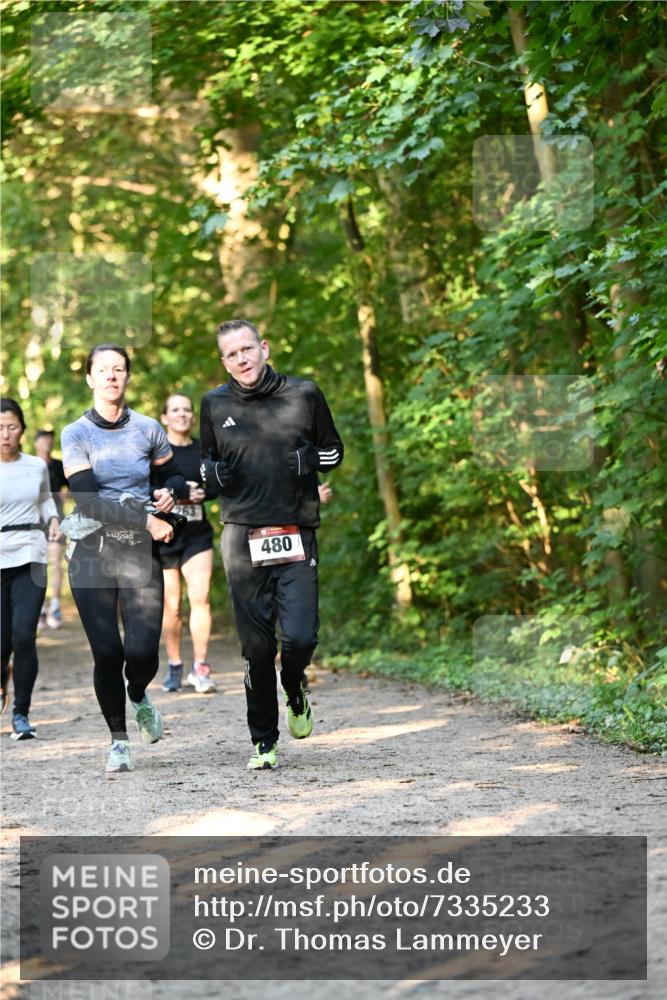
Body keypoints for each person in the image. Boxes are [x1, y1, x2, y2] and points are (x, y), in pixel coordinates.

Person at [200, 318, 344, 770]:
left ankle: (295, 682)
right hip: (242, 537)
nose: (241, 359)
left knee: (299, 635)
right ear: (224, 361)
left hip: (295, 531)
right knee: (256, 647)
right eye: (231, 354)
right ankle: (263, 740)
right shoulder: (213, 403)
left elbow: (334, 450)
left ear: (263, 347)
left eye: (247, 349)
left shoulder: (304, 394)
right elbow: (205, 464)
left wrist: (311, 460)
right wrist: (212, 476)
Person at [61, 344, 187, 774]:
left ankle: (138, 694)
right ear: (90, 379)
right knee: (108, 652)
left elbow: (172, 472)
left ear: (128, 377)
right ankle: (118, 740)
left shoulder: (149, 428)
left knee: (142, 652)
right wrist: (148, 522)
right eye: (103, 370)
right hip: (93, 553)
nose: (112, 376)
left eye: (119, 369)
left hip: (137, 554)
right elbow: (90, 502)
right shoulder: (75, 433)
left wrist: (172, 489)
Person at [1, 398, 61, 739]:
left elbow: (45, 499)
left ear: (22, 429)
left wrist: (52, 518)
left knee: (24, 635)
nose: (5, 435)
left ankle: (21, 714)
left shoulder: (35, 466)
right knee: (1, 646)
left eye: (11, 427)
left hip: (30, 556)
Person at [158, 393, 216, 694]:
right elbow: (144, 489)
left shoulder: (203, 450)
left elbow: (219, 483)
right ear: (165, 417)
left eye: (187, 410)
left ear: (192, 417)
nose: (182, 414)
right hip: (167, 535)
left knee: (200, 599)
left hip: (197, 533)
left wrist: (205, 494)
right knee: (171, 608)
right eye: (175, 409)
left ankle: (201, 667)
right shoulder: (156, 452)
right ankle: (174, 664)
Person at [34, 429, 68, 629]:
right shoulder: (29, 464)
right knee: (37, 566)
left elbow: (72, 489)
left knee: (55, 563)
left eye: (50, 439)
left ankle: (54, 607)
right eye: (44, 439)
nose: (47, 442)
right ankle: (39, 609)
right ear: (36, 442)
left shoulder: (58, 465)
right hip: (33, 523)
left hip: (57, 520)